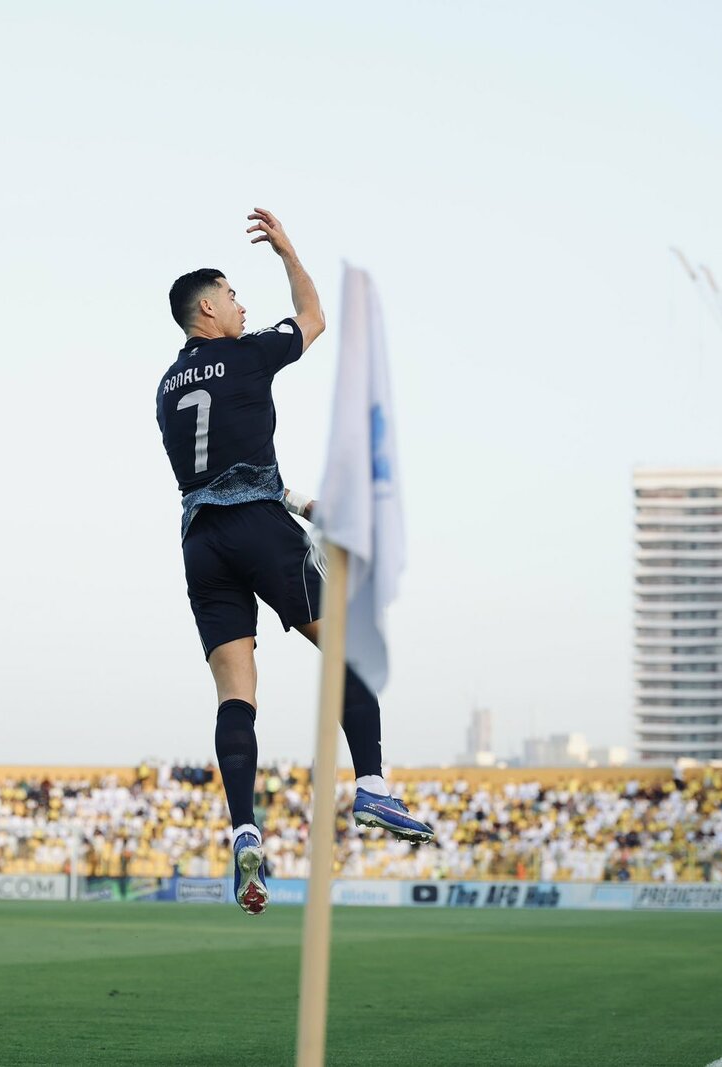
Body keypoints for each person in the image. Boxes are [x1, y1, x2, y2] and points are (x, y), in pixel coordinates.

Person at [156, 208, 433, 917]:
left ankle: (244, 825)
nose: (245, 308)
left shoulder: (164, 389)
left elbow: (222, 464)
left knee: (235, 693)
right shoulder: (248, 354)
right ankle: (372, 787)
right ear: (209, 307)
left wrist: (304, 502)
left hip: (199, 540)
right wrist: (287, 249)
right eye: (235, 297)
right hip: (255, 526)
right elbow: (312, 315)